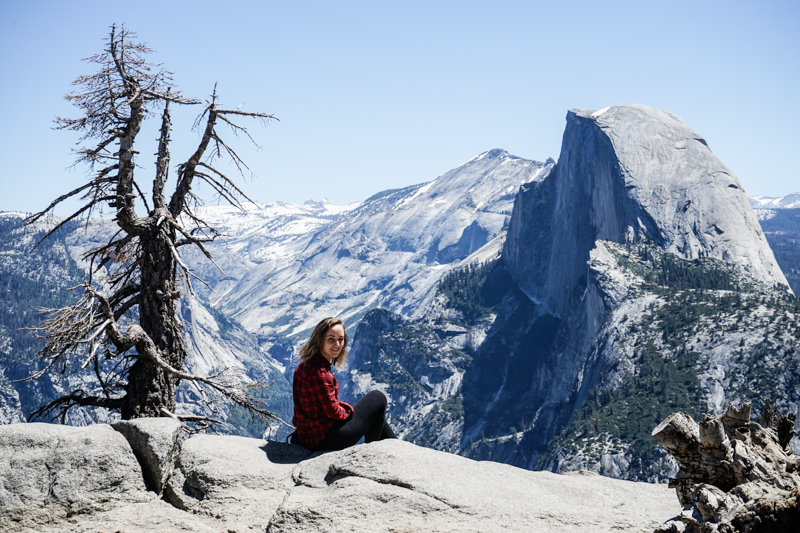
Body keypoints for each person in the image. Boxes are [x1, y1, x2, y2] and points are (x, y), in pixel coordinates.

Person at [292, 317, 396, 451]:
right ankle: (372, 453)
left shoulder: (304, 364)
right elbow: (334, 412)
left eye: (340, 339)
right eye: (331, 339)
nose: (337, 344)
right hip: (326, 438)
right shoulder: (320, 373)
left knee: (373, 414)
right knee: (378, 397)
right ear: (319, 340)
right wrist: (348, 410)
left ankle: (397, 448)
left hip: (306, 435)